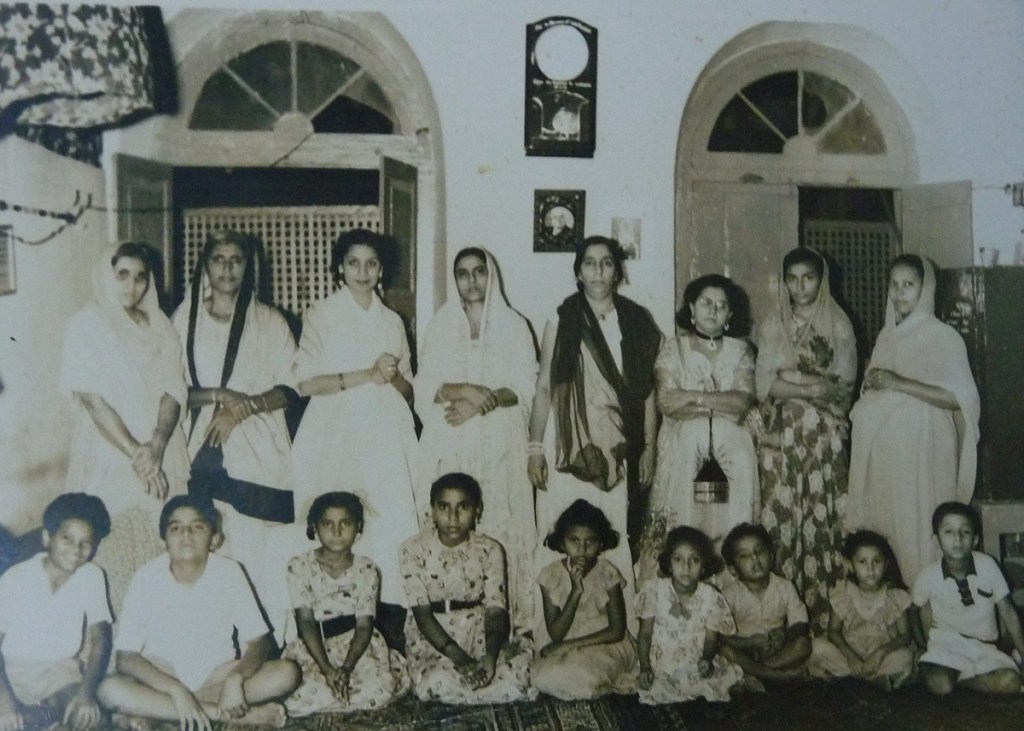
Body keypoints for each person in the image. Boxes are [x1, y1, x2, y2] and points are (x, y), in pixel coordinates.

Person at [172, 229, 301, 645]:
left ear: (249, 267)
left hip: (260, 450)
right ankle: (215, 650)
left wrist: (244, 408)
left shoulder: (270, 321)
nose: (227, 268)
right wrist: (219, 397)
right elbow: (172, 389)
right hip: (199, 451)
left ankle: (266, 648)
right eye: (218, 259)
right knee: (213, 549)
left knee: (258, 554)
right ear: (205, 266)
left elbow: (290, 388)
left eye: (236, 260)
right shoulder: (183, 320)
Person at [291, 228, 420, 643]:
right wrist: (367, 373)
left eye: (371, 263)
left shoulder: (392, 321)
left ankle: (388, 628)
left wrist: (393, 375)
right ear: (339, 269)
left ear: (381, 269)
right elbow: (306, 384)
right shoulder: (322, 314)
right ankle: (331, 626)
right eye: (353, 263)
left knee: (389, 522)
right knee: (338, 522)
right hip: (335, 430)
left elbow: (409, 389)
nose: (362, 272)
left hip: (386, 432)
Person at [59, 242, 190, 614]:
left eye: (140, 277)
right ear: (106, 276)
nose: (132, 286)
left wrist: (159, 442)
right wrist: (139, 456)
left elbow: (174, 387)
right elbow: (93, 400)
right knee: (112, 542)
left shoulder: (160, 324)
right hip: (113, 452)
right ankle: (115, 642)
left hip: (162, 449)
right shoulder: (86, 325)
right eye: (122, 276)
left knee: (161, 542)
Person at [528, 236, 661, 595]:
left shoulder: (636, 321)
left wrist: (648, 448)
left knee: (612, 529)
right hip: (566, 444)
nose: (598, 271)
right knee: (560, 524)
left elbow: (646, 392)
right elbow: (543, 387)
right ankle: (553, 620)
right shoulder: (561, 318)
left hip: (616, 444)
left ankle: (617, 622)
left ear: (617, 271)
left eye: (606, 263)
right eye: (590, 263)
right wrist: (535, 448)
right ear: (578, 271)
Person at [98, 495, 300, 730]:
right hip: (163, 678)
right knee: (108, 689)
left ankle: (162, 713)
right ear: (163, 540)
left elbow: (260, 642)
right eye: (176, 528)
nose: (186, 534)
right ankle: (222, 714)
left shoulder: (229, 572)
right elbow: (126, 657)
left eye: (197, 526)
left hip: (217, 677)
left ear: (214, 538)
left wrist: (235, 679)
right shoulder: (146, 577)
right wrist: (176, 689)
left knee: (287, 673)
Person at [415, 247, 538, 631]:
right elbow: (425, 386)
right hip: (450, 438)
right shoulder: (440, 324)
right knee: (454, 519)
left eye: (479, 271)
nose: (472, 280)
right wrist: (465, 389)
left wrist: (480, 405)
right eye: (463, 273)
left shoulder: (515, 325)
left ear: (491, 275)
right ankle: (451, 621)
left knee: (498, 522)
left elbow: (524, 388)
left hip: (500, 440)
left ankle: (506, 624)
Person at [848, 254, 980, 582]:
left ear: (926, 288)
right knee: (889, 529)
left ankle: (930, 614)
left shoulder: (943, 336)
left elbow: (958, 398)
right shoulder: (886, 336)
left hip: (925, 448)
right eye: (893, 284)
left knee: (919, 527)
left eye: (909, 284)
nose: (899, 292)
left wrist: (898, 383)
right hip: (887, 455)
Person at [756, 248, 857, 633]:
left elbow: (842, 387)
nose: (800, 286)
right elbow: (764, 384)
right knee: (781, 518)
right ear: (784, 281)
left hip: (822, 440)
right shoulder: (772, 322)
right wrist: (813, 384)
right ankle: (778, 622)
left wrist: (792, 379)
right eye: (792, 278)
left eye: (808, 278)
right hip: (780, 440)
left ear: (821, 279)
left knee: (821, 517)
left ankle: (823, 621)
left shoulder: (840, 324)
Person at [635, 274, 756, 579]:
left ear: (730, 314)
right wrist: (717, 402)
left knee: (727, 523)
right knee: (687, 522)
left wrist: (695, 399)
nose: (712, 310)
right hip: (685, 455)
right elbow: (667, 401)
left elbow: (742, 402)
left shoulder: (741, 350)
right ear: (691, 307)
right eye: (705, 302)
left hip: (732, 459)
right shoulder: (673, 348)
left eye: (721, 305)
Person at [398, 473, 534, 704]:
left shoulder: (490, 549)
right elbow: (422, 615)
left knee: (517, 674)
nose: (453, 517)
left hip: (478, 633)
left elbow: (496, 609)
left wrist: (489, 657)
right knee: (436, 681)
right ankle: (472, 686)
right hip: (434, 638)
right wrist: (461, 660)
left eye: (463, 507)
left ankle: (479, 682)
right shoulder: (412, 549)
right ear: (432, 509)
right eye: (444, 507)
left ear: (477, 510)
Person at [282, 492, 409, 715]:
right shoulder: (299, 566)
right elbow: (305, 622)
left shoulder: (367, 569)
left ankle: (344, 692)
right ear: (315, 527)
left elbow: (364, 625)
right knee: (302, 696)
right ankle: (332, 691)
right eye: (327, 524)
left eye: (346, 523)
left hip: (357, 646)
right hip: (315, 646)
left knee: (378, 690)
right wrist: (327, 669)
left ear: (358, 527)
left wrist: (347, 667)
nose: (337, 532)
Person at [0, 494, 112, 731]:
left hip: (60, 672)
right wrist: (5, 702)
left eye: (86, 543)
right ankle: (44, 719)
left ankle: (49, 718)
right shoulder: (16, 578)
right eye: (67, 539)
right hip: (11, 671)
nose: (76, 550)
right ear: (46, 538)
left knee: (91, 718)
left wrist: (86, 695)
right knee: (11, 719)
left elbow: (101, 640)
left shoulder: (91, 576)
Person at [911, 502, 1024, 695]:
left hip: (984, 647)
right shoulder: (928, 574)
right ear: (936, 539)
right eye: (949, 532)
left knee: (1011, 682)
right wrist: (921, 645)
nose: (957, 538)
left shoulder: (987, 565)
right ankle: (952, 679)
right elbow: (913, 611)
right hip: (946, 644)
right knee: (941, 685)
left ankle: (964, 681)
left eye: (965, 532)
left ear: (975, 540)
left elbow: (1008, 611)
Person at [531, 499, 637, 700]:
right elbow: (556, 634)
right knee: (543, 677)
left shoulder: (607, 572)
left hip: (603, 642)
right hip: (563, 640)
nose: (582, 548)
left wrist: (569, 646)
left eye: (591, 541)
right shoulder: (550, 575)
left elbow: (616, 630)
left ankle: (592, 682)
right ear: (562, 542)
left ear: (601, 543)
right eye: (574, 540)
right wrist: (575, 592)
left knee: (585, 673)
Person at [636, 525, 744, 705]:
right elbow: (645, 634)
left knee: (710, 680)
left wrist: (707, 659)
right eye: (678, 559)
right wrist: (645, 667)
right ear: (669, 564)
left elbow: (711, 640)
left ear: (703, 567)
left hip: (694, 660)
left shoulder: (710, 597)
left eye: (694, 560)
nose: (686, 567)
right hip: (660, 663)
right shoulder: (655, 591)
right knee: (657, 688)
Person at [808, 530, 913, 689]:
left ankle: (855, 677)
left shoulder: (894, 596)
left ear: (886, 565)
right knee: (816, 647)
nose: (870, 568)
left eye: (876, 561)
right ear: (850, 565)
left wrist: (880, 653)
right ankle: (866, 677)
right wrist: (851, 657)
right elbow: (834, 631)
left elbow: (905, 635)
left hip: (879, 654)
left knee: (905, 657)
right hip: (849, 651)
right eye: (862, 562)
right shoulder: (843, 593)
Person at [718, 523, 811, 685]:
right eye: (744, 556)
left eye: (760, 551)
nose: (755, 559)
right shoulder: (728, 595)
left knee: (803, 644)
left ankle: (757, 674)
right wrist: (749, 642)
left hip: (777, 651)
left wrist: (785, 635)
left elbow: (801, 623)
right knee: (725, 651)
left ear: (772, 556)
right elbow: (722, 636)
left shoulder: (785, 587)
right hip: (744, 650)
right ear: (732, 569)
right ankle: (778, 677)